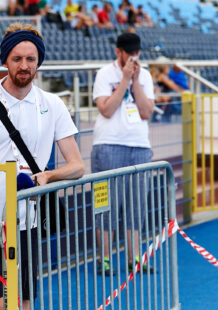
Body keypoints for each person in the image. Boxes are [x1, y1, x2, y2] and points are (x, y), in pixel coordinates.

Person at [0, 22, 85, 310]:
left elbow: (78, 165)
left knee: (23, 305)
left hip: (26, 221)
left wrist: (50, 175)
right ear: (5, 61)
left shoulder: (52, 105)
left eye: (30, 59)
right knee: (2, 306)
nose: (24, 66)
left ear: (39, 62)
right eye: (17, 59)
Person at [91, 32, 155, 275]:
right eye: (129, 55)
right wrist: (125, 80)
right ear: (118, 52)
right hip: (109, 144)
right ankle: (105, 258)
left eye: (136, 55)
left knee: (136, 206)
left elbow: (147, 111)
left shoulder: (145, 75)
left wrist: (135, 81)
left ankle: (135, 258)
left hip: (139, 145)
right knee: (106, 205)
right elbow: (106, 109)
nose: (133, 60)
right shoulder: (104, 73)